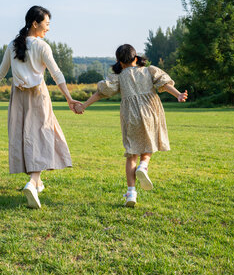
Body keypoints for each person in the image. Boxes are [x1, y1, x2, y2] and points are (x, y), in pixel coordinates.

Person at [0, 6, 81, 209]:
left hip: (18, 97)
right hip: (38, 96)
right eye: (47, 24)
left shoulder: (13, 45)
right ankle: (33, 181)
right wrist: (69, 98)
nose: (48, 28)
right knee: (42, 136)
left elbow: (0, 72)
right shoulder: (42, 46)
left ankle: (37, 182)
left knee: (24, 136)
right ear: (35, 23)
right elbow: (56, 74)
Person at [75, 44, 187, 207]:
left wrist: (84, 105)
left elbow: (101, 93)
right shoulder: (149, 70)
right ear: (136, 58)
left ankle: (131, 194)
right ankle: (144, 165)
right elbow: (164, 84)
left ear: (119, 62)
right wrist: (178, 94)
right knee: (149, 143)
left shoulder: (118, 77)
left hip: (130, 116)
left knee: (131, 153)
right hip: (150, 112)